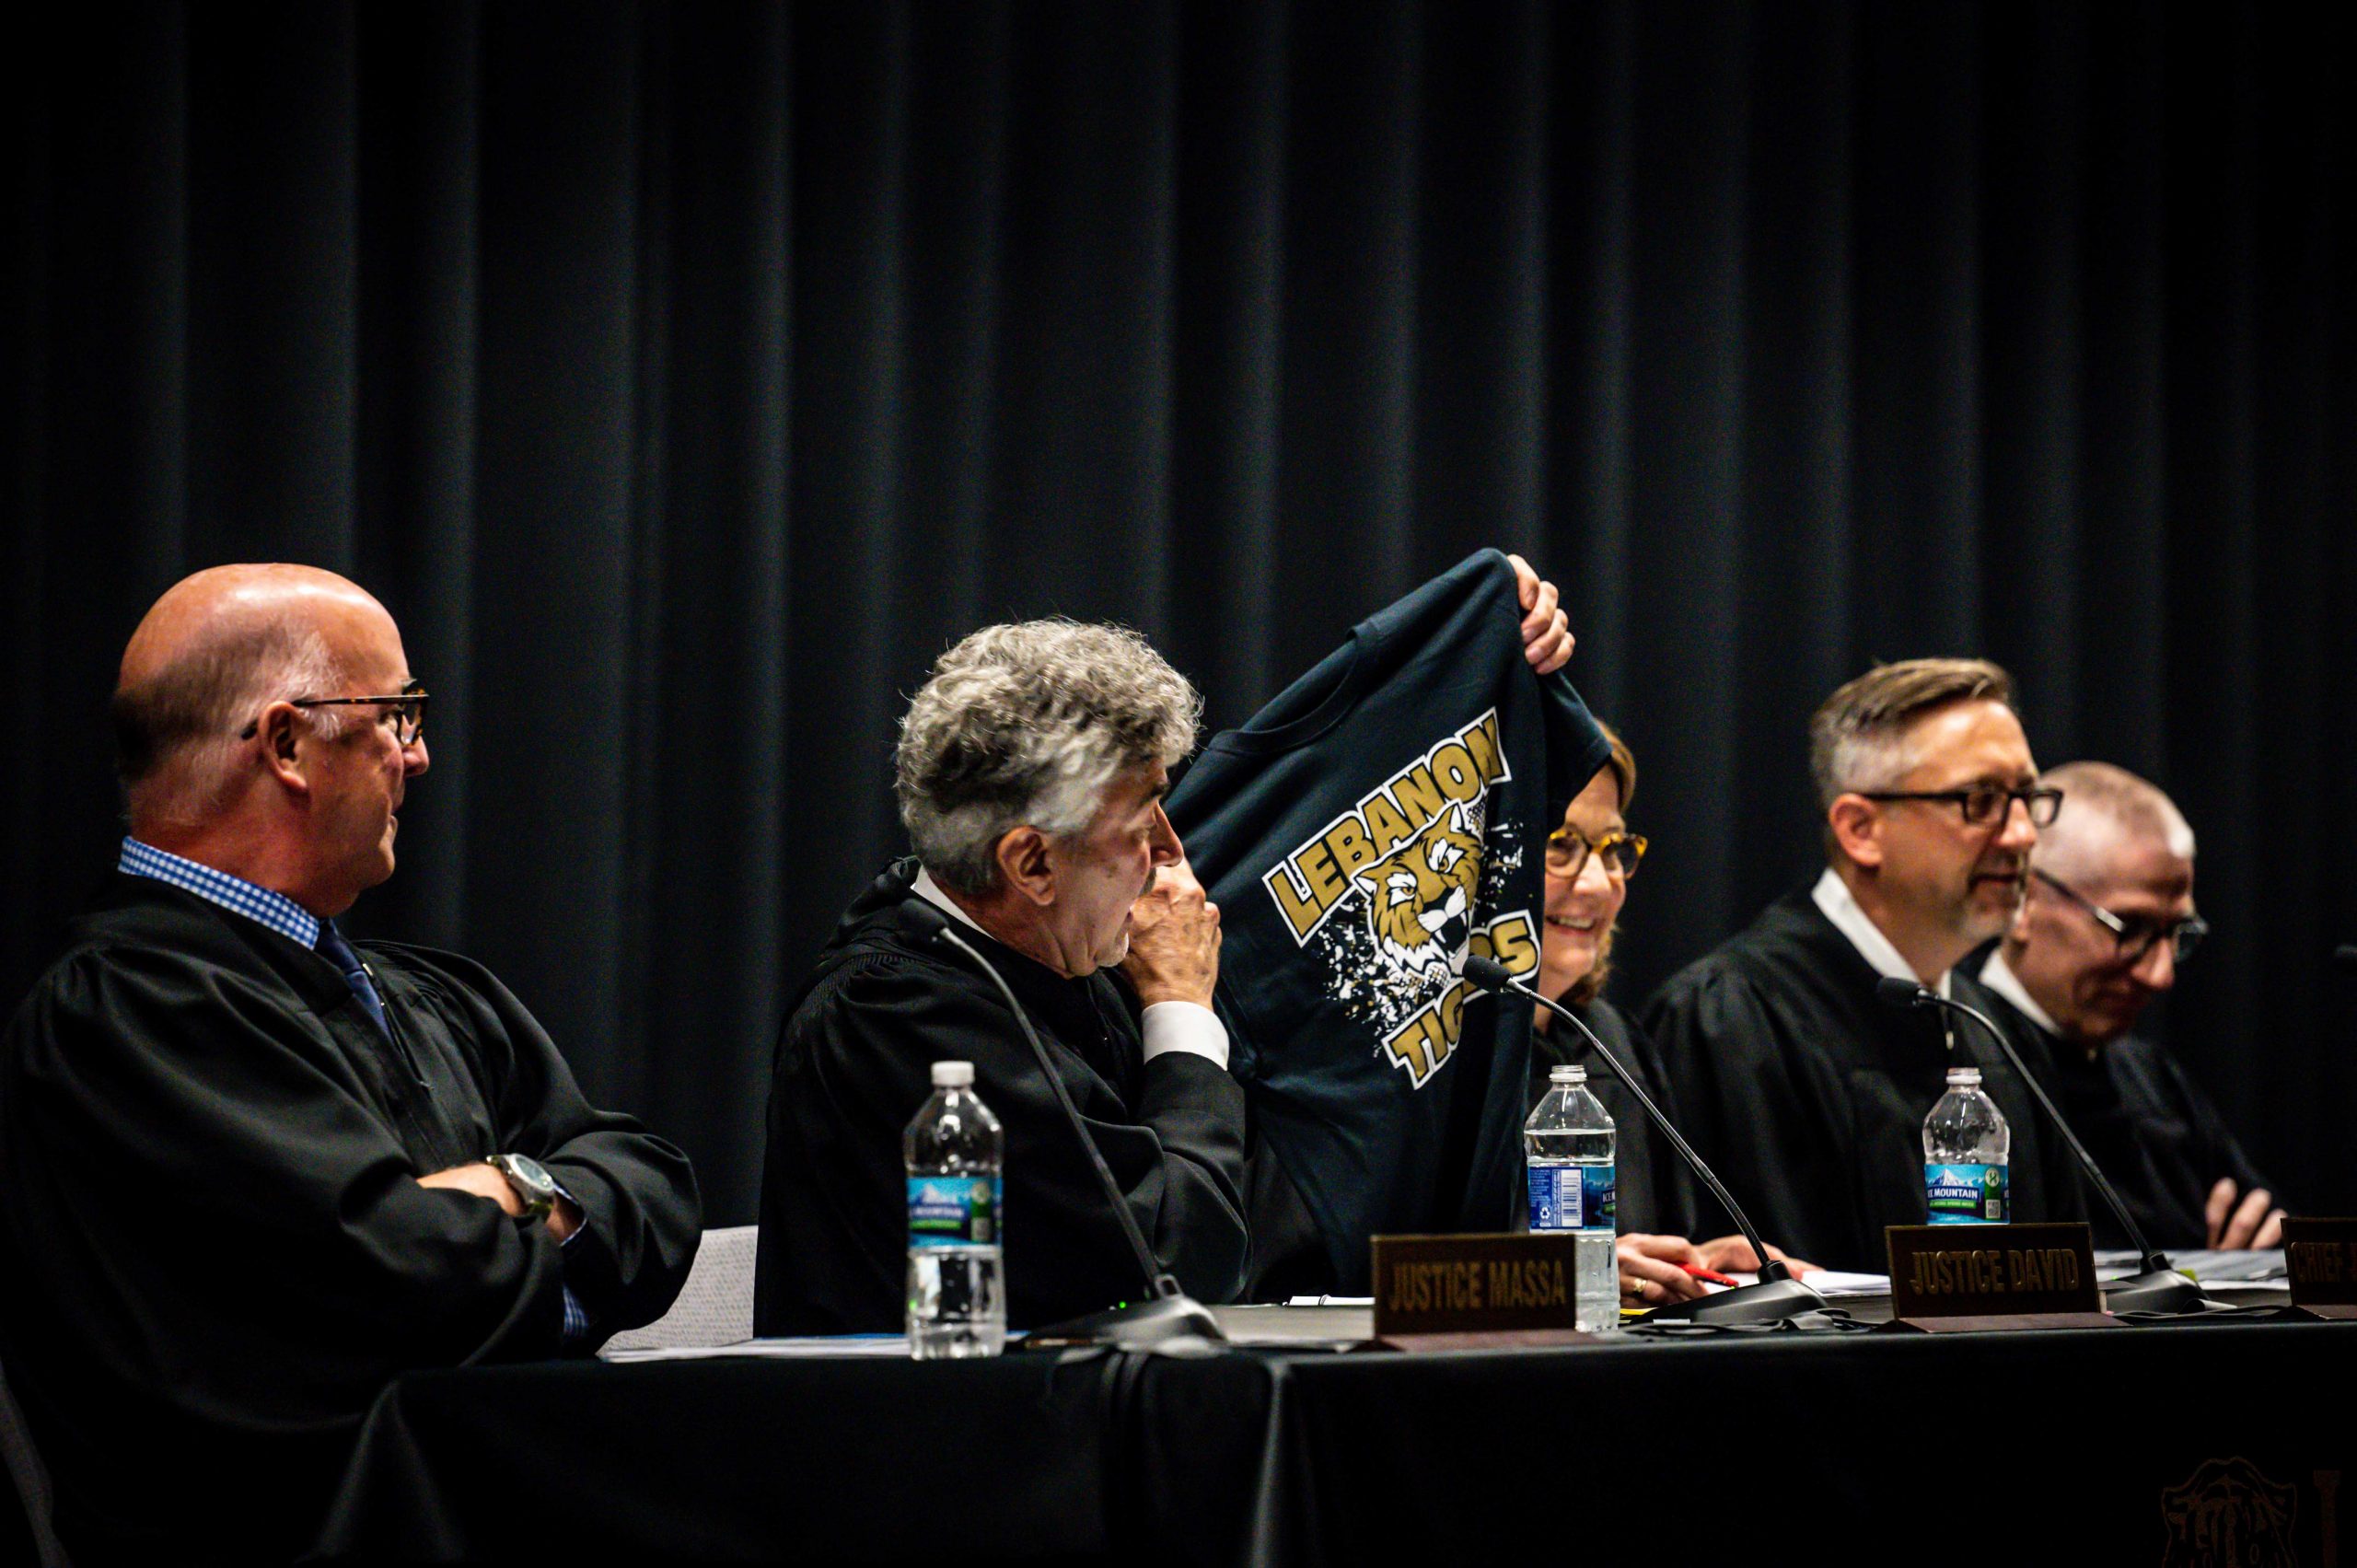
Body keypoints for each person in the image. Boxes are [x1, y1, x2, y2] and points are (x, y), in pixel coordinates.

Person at [0, 565, 701, 1565]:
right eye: (398, 715)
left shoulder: (433, 994)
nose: (418, 756)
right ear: (287, 743)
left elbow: (653, 1179)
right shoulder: (128, 1012)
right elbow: (389, 1281)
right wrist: (547, 1229)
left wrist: (503, 1187)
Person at [758, 563, 1577, 1330]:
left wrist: (1528, 1270)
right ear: (1031, 861)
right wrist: (1182, 1011)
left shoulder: (1064, 958)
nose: (1169, 850)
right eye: (1138, 822)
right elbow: (1178, 1264)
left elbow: (1261, 1228)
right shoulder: (894, 1017)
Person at [1642, 659, 2086, 1273]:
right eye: (1980, 800)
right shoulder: (1732, 1022)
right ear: (1860, 829)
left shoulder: (2002, 1035)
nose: (2020, 835)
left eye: (2027, 799)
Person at [1525, 725, 1812, 1307]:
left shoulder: (1609, 1041)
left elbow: (1624, 1249)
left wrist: (1690, 1264)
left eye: (1613, 849)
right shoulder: (1409, 1058)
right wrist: (1567, 1275)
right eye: (1560, 845)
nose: (1598, 883)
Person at [1972, 761, 2280, 1250]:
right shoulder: (1956, 1073)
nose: (2160, 974)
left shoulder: (2155, 1082)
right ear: (2022, 901)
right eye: (2129, 928)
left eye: (2177, 934)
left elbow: (2259, 1230)